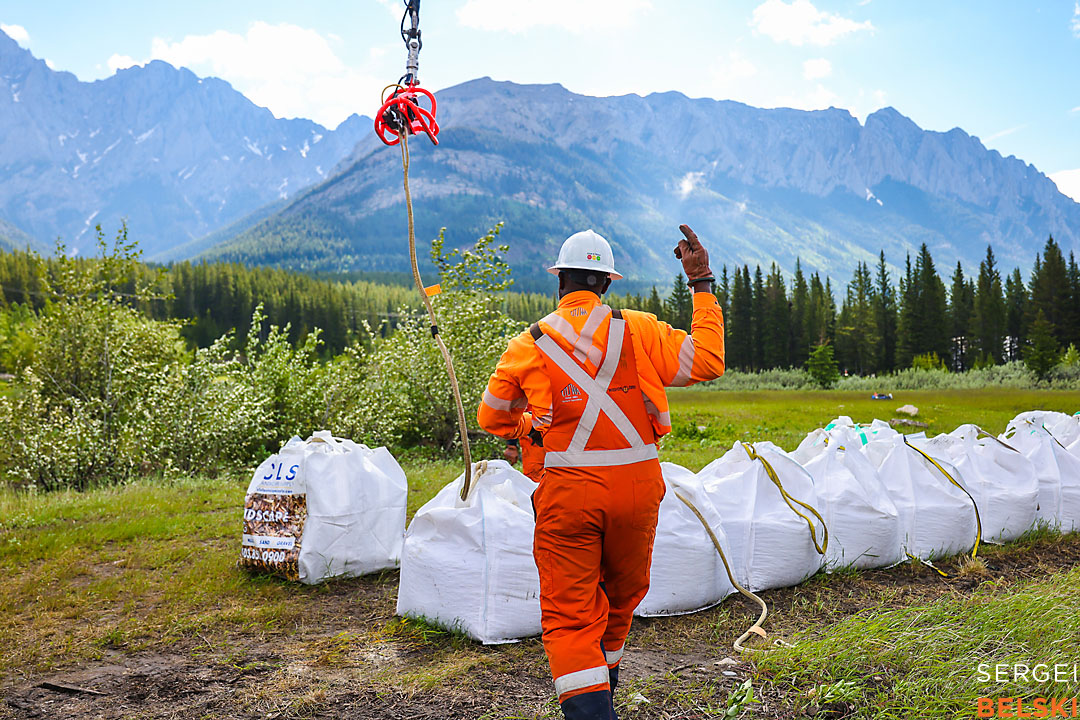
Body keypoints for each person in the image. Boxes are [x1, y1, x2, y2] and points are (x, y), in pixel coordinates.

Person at [477, 226, 726, 720]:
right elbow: (708, 362)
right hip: (638, 490)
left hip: (568, 495)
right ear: (606, 284)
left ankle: (593, 708)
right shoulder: (640, 329)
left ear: (561, 280)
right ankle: (602, 693)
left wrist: (530, 428)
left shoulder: (529, 343)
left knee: (571, 620)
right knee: (620, 598)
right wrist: (701, 285)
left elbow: (492, 417)